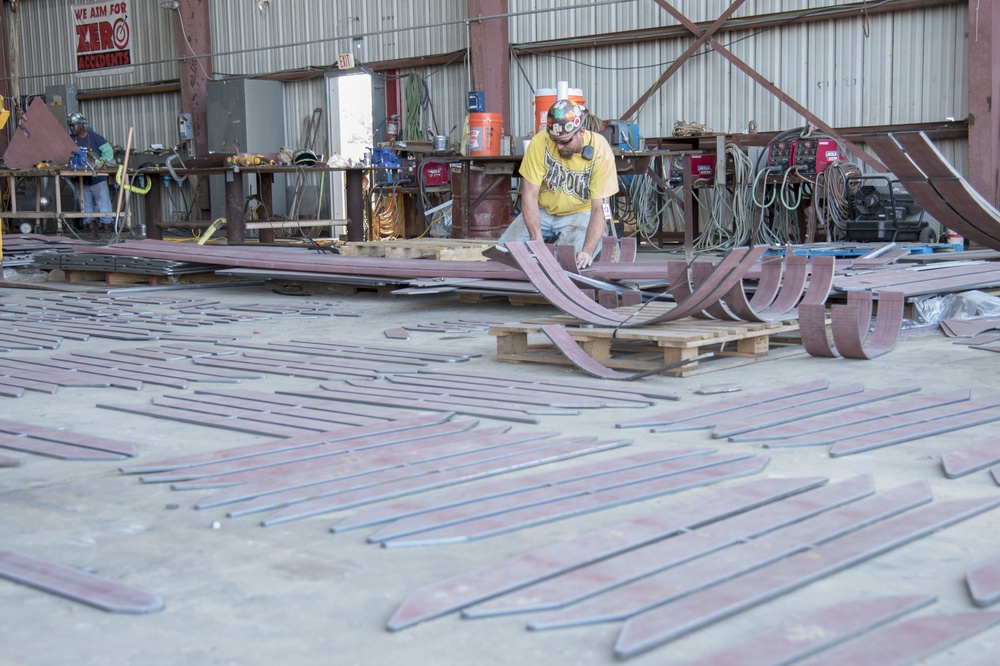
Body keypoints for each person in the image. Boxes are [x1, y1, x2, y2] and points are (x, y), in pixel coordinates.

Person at [496, 99, 618, 268]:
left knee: (571, 260)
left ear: (581, 132)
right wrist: (536, 240)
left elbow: (600, 208)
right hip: (543, 210)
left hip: (580, 213)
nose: (559, 147)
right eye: (555, 140)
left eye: (565, 141)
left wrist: (587, 251)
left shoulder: (600, 152)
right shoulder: (540, 142)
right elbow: (529, 194)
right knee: (504, 252)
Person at [67, 111, 115, 232]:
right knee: (86, 205)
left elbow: (108, 152)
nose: (71, 128)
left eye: (74, 125)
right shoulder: (70, 139)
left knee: (103, 204)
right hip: (81, 180)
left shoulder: (95, 137)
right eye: (70, 126)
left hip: (97, 178)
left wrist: (102, 162)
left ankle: (107, 228)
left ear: (82, 124)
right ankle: (91, 229)